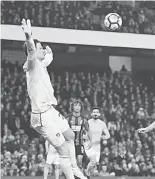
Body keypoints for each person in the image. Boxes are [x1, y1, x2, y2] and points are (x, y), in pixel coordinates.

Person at [21, 18, 75, 179]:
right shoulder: (31, 65)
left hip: (50, 111)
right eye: (40, 48)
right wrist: (29, 36)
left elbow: (47, 58)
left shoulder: (41, 63)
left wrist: (49, 52)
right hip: (42, 116)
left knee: (71, 136)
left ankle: (72, 168)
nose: (42, 49)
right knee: (63, 149)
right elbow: (31, 52)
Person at [85, 108, 110, 178]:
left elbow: (108, 135)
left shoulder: (102, 123)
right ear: (91, 114)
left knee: (94, 164)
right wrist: (85, 137)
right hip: (88, 144)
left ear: (99, 114)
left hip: (97, 146)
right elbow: (82, 133)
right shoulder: (88, 122)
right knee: (93, 161)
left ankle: (88, 174)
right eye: (94, 112)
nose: (95, 113)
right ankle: (87, 172)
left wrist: (104, 137)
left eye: (97, 112)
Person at [66, 100, 91, 170]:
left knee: (79, 160)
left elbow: (88, 130)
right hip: (69, 143)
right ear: (72, 107)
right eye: (75, 105)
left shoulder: (84, 119)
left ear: (81, 107)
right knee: (70, 163)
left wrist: (91, 141)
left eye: (79, 105)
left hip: (79, 143)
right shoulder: (67, 118)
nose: (77, 107)